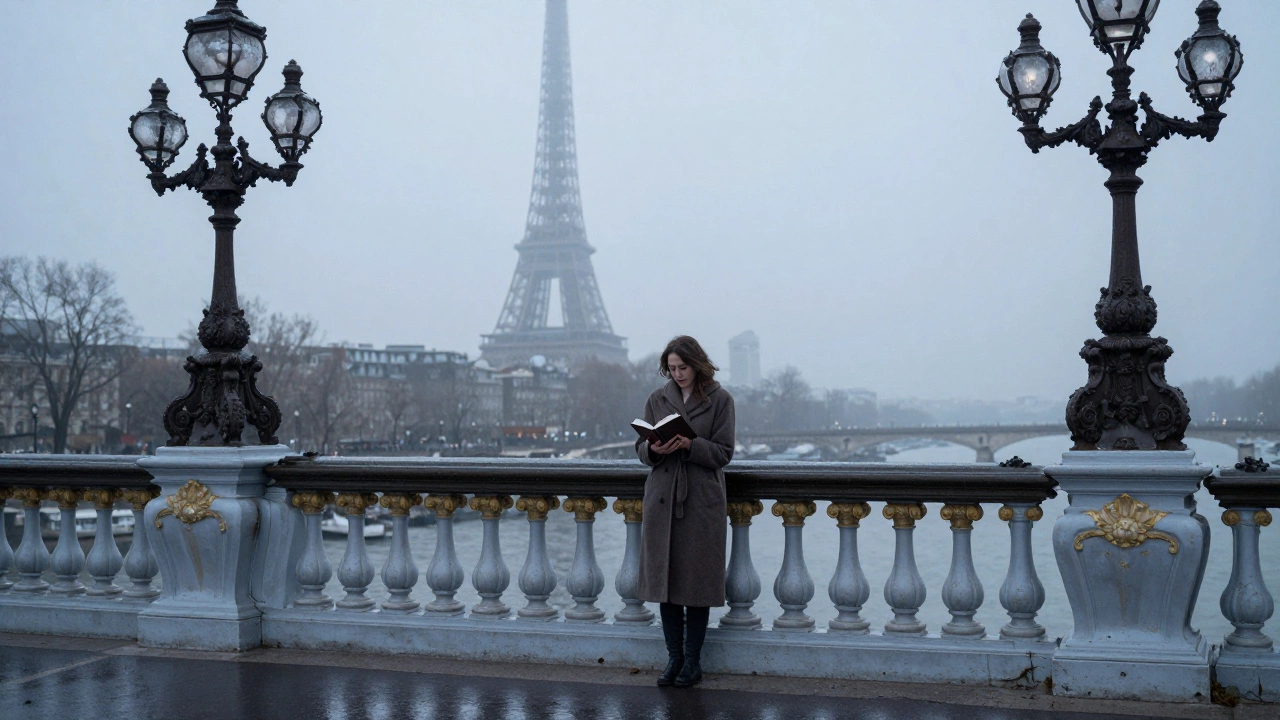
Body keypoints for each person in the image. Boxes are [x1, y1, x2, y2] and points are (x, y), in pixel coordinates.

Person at [636, 335, 735, 688]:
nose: (676, 374)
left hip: (699, 501)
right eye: (671, 368)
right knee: (665, 584)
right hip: (662, 497)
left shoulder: (721, 400)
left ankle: (692, 663)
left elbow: (724, 452)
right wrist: (655, 448)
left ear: (697, 364)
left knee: (695, 585)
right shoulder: (657, 399)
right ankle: (674, 659)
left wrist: (691, 444)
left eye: (682, 367)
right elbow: (641, 449)